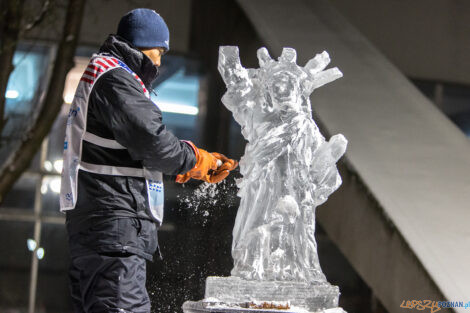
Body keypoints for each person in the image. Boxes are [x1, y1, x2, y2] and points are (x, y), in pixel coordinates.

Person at [60, 8, 237, 313]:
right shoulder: (115, 77)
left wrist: (179, 166)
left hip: (104, 226)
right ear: (143, 44)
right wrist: (196, 160)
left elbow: (132, 148)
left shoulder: (105, 73)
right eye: (159, 50)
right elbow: (152, 141)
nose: (159, 60)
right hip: (114, 226)